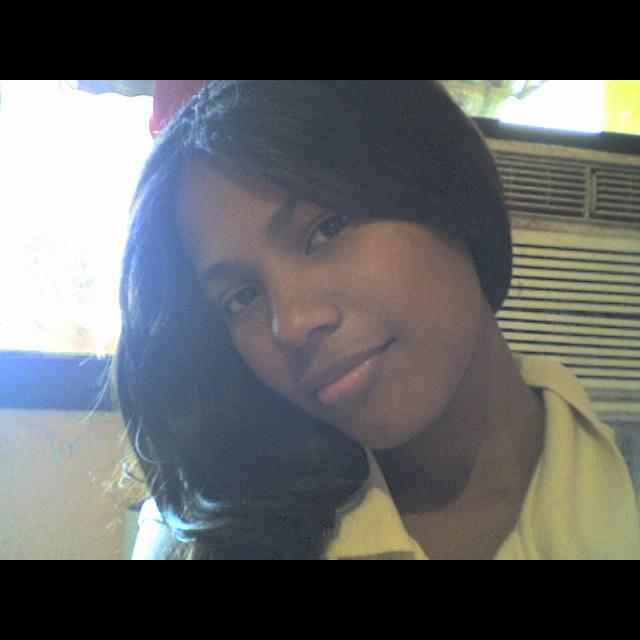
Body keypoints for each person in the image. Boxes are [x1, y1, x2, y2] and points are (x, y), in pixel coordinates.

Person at [114, 80, 640, 560]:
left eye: (326, 229)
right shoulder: (206, 539)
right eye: (242, 297)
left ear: (445, 183)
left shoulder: (621, 493)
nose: (289, 325)